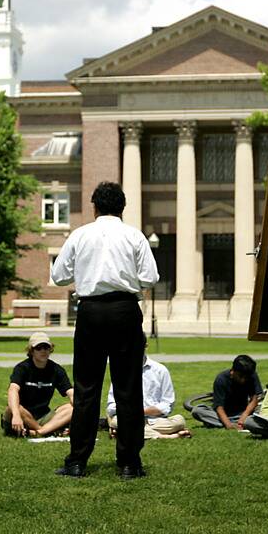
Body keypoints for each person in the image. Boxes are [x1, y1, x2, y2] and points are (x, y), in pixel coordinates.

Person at [51, 181, 159, 480]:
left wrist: (86, 270)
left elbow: (58, 275)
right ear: (122, 208)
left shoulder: (80, 235)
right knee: (128, 388)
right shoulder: (134, 236)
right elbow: (150, 276)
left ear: (94, 206)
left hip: (91, 311)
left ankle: (77, 461)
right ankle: (129, 462)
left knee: (86, 388)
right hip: (125, 310)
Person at [107, 346, 190, 440]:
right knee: (116, 422)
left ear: (145, 346)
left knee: (180, 421)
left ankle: (125, 432)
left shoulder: (160, 370)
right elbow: (111, 406)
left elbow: (167, 404)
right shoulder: (121, 372)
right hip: (129, 419)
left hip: (156, 420)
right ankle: (167, 436)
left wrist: (140, 411)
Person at [2, 331, 74, 438]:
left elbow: (71, 392)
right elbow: (13, 390)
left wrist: (77, 406)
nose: (43, 351)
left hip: (43, 416)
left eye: (46, 347)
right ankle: (46, 431)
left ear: (51, 349)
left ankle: (38, 432)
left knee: (73, 407)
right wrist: (16, 415)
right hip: (21, 415)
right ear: (31, 351)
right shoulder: (22, 368)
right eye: (39, 348)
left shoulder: (56, 370)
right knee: (12, 407)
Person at [191, 354, 262, 431]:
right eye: (241, 376)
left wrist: (243, 417)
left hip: (243, 412)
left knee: (262, 411)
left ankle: (214, 423)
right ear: (233, 371)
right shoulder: (221, 379)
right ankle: (246, 423)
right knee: (197, 410)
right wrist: (228, 425)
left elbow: (254, 399)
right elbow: (219, 407)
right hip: (223, 414)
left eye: (246, 377)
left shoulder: (251, 375)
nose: (243, 380)